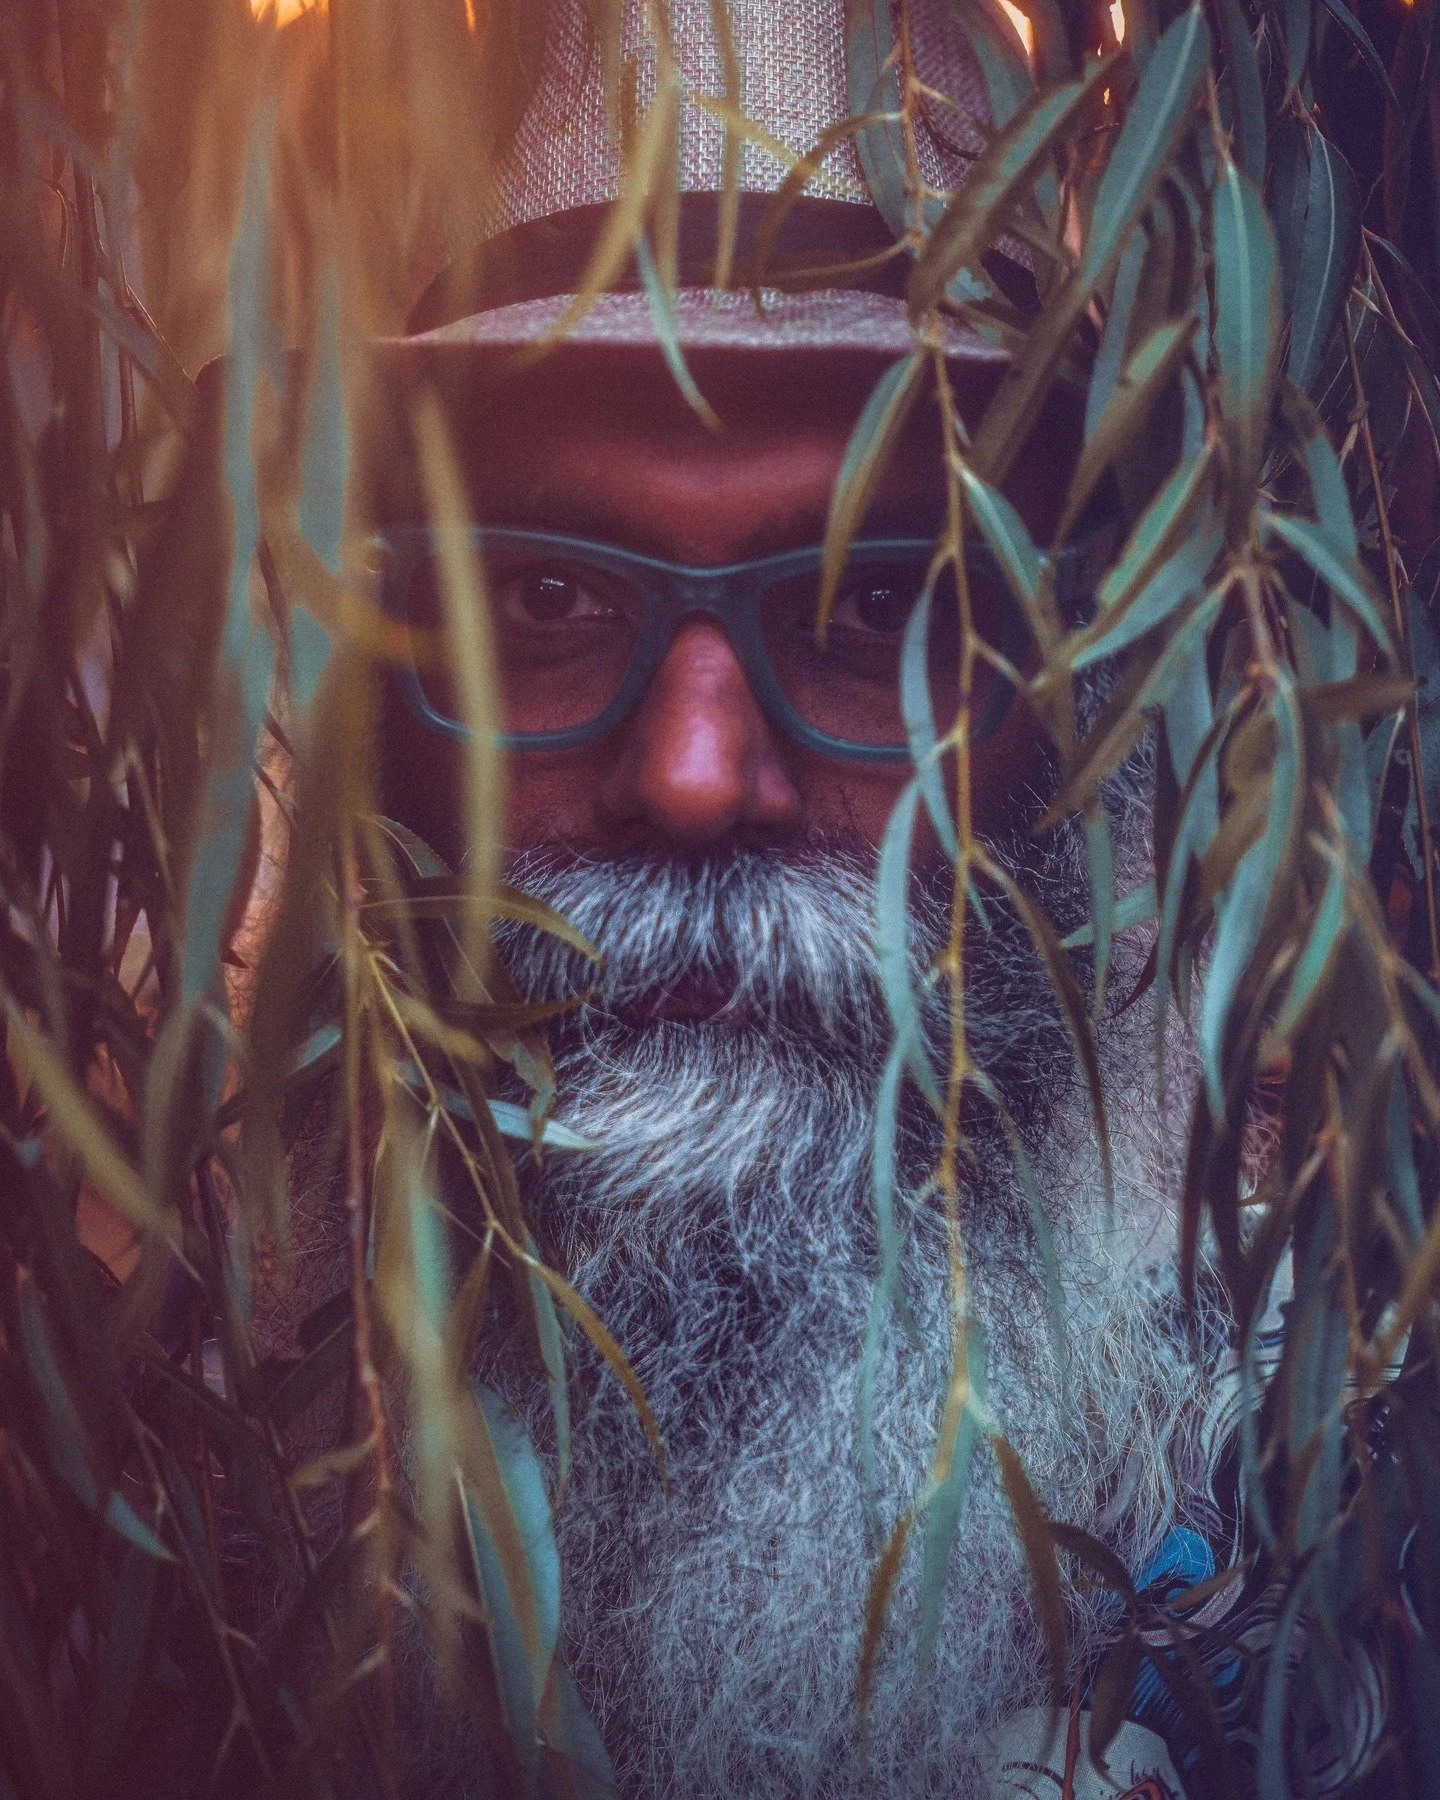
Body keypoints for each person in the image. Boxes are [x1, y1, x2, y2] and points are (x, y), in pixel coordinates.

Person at [347, 1, 1233, 1792]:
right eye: (544, 601)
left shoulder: (1360, 1543)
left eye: (877, 607)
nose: (689, 775)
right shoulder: (136, 1513)